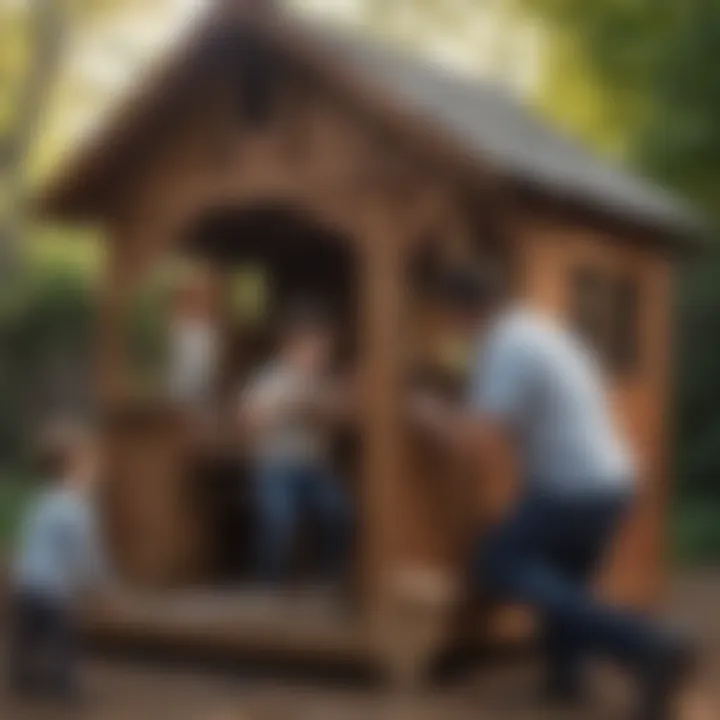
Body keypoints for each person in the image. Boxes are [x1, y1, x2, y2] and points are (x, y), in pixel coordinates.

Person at [410, 267, 694, 720]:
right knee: (566, 579)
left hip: (574, 484)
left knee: (499, 562)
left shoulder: (507, 347)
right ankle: (567, 681)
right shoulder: (539, 330)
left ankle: (650, 647)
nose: (451, 329)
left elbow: (475, 442)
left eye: (450, 318)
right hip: (609, 479)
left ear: (468, 312)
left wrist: (423, 412)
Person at [240, 304, 353, 589]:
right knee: (279, 522)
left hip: (314, 467)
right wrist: (288, 407)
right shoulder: (270, 379)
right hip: (276, 466)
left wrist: (326, 409)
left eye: (323, 348)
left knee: (338, 512)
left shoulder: (324, 381)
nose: (318, 354)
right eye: (312, 347)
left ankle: (328, 579)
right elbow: (250, 419)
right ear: (292, 346)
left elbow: (339, 416)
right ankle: (269, 585)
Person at [8, 419, 114, 702]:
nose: (96, 474)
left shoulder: (40, 500)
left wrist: (16, 574)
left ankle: (22, 677)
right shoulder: (76, 507)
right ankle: (65, 687)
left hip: (28, 584)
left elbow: (25, 542)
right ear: (74, 468)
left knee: (29, 635)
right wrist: (100, 583)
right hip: (52, 589)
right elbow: (86, 552)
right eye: (92, 467)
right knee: (62, 639)